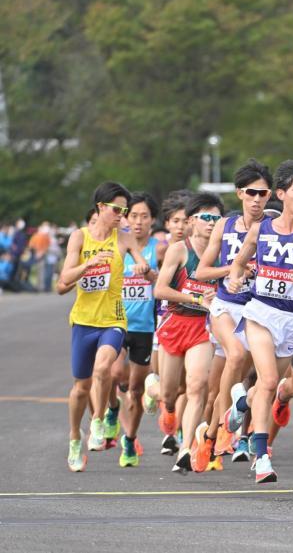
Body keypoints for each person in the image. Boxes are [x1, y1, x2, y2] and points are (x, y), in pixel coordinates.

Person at [222, 160, 293, 483]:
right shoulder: (261, 229)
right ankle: (261, 457)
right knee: (270, 381)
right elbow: (238, 263)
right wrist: (235, 278)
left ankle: (241, 402)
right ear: (281, 193)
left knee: (264, 387)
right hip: (260, 312)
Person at [58, 182, 149, 472]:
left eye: (124, 211)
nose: (121, 216)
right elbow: (65, 278)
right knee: (80, 388)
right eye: (116, 210)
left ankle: (98, 422)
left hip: (114, 320)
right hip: (83, 322)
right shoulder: (79, 237)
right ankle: (75, 437)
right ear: (100, 207)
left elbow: (141, 262)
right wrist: (89, 264)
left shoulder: (124, 237)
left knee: (103, 369)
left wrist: (141, 266)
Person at [194, 159, 273, 468]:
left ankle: (211, 434)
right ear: (240, 193)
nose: (256, 199)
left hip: (257, 310)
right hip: (225, 305)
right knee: (236, 356)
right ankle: (224, 433)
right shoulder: (225, 225)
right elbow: (202, 271)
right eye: (251, 192)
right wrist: (234, 269)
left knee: (234, 382)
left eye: (262, 193)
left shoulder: (273, 227)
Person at [151, 192, 225, 472]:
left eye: (216, 218)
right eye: (205, 217)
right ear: (192, 220)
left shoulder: (223, 253)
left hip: (202, 327)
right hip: (175, 322)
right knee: (170, 393)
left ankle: (185, 449)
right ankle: (159, 399)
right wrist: (195, 298)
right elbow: (160, 290)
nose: (211, 223)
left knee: (196, 386)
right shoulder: (180, 250)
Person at [113, 192, 162, 467]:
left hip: (146, 327)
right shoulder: (117, 246)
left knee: (135, 390)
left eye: (144, 216)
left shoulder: (159, 249)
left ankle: (130, 439)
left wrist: (151, 275)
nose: (138, 221)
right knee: (115, 373)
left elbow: (168, 283)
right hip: (117, 322)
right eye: (133, 216)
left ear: (152, 220)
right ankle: (112, 412)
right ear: (125, 218)